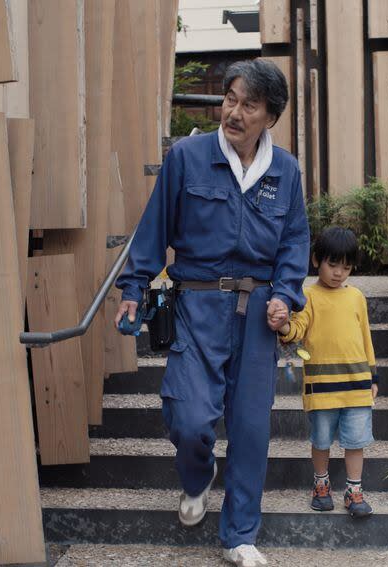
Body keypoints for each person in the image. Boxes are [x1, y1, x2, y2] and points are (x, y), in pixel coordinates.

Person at [114, 59, 309, 567]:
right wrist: (134, 286)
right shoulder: (187, 157)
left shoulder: (285, 171)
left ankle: (240, 535)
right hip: (197, 305)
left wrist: (285, 295)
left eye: (249, 104)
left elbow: (294, 243)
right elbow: (154, 228)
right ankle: (198, 477)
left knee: (249, 428)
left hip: (258, 311)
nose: (234, 112)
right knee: (189, 417)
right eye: (230, 99)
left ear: (270, 115)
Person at [276, 227, 379, 519]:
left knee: (356, 440)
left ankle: (354, 490)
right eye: (332, 265)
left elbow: (365, 337)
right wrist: (284, 325)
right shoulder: (307, 296)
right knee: (321, 439)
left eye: (346, 267)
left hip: (357, 384)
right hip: (322, 386)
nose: (338, 273)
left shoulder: (357, 296)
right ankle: (321, 483)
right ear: (316, 260)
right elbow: (296, 331)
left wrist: (374, 375)